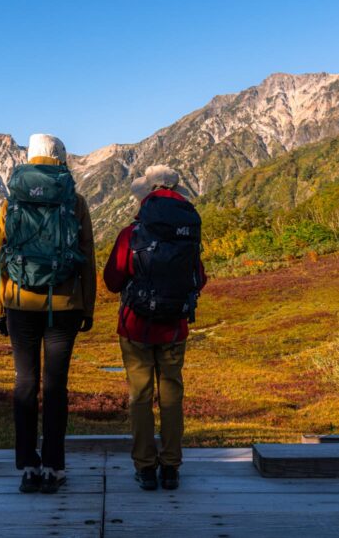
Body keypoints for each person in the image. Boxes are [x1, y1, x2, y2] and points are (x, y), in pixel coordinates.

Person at [0, 133, 96, 494]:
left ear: (30, 158)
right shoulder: (75, 201)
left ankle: (28, 466)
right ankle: (53, 466)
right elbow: (88, 255)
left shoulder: (12, 201)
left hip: (19, 303)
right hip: (65, 305)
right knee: (55, 385)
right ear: (61, 158)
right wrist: (87, 305)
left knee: (24, 382)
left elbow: (0, 257)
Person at [102, 165, 206, 491]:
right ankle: (171, 467)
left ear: (145, 193)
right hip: (175, 328)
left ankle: (146, 468)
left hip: (137, 328)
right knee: (172, 395)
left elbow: (111, 280)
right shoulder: (188, 232)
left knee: (141, 397)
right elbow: (198, 278)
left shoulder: (131, 234)